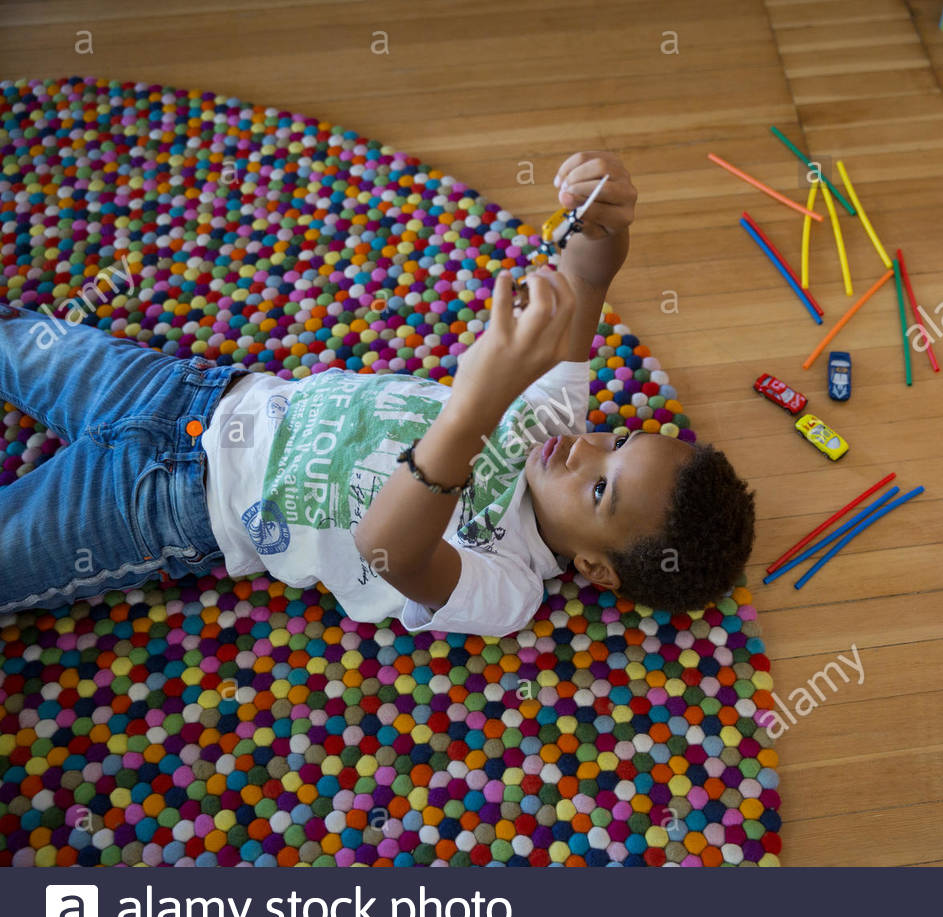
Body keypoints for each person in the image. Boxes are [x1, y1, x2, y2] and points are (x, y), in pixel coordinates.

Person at [0, 151, 756, 635]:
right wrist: (606, 220)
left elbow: (389, 551)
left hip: (165, 506)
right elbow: (588, 275)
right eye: (616, 441)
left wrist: (475, 405)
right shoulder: (555, 423)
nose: (585, 448)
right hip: (193, 395)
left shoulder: (510, 587)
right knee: (20, 341)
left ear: (595, 568)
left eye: (599, 491)